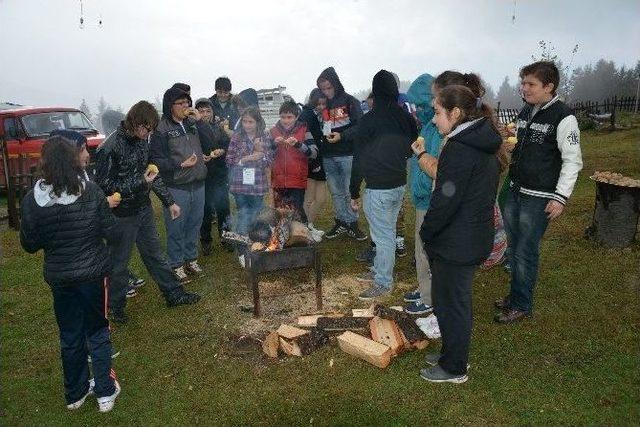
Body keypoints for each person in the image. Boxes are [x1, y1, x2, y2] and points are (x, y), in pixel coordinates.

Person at [20, 136, 121, 412]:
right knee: (98, 329)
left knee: (70, 334)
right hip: (91, 276)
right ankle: (104, 391)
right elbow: (110, 231)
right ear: (73, 160)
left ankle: (75, 393)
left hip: (61, 277)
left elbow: (29, 243)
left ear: (45, 164)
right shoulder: (91, 191)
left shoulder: (33, 199)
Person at [419, 84, 502, 383]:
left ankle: (454, 367)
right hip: (467, 236)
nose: (433, 120)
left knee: (453, 303)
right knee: (447, 299)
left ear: (455, 113)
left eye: (438, 113)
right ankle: (450, 352)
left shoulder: (460, 147)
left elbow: (445, 200)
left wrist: (426, 232)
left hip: (458, 242)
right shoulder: (476, 140)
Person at [96, 101, 201, 324]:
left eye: (152, 129)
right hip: (121, 215)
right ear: (135, 122)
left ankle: (173, 293)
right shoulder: (109, 148)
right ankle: (114, 307)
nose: (149, 134)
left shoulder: (144, 142)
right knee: (119, 263)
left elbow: (153, 174)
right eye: (147, 129)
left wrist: (169, 201)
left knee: (155, 255)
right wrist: (138, 182)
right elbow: (104, 186)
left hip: (143, 209)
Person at [495, 61, 583, 323]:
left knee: (525, 250)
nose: (524, 88)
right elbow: (520, 142)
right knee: (513, 247)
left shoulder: (564, 117)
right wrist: (510, 144)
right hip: (515, 189)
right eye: (523, 83)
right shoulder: (527, 110)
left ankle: (521, 304)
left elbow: (572, 160)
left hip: (539, 196)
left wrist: (560, 197)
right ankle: (515, 295)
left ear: (549, 86)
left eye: (530, 84)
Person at [348, 70, 417, 300]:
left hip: (378, 187)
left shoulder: (368, 120)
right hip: (398, 184)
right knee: (384, 233)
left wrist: (353, 190)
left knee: (383, 235)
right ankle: (380, 270)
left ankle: (383, 281)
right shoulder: (405, 117)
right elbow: (411, 148)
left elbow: (358, 158)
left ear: (375, 92)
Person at [150, 86, 208, 282]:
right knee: (176, 227)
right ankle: (176, 264)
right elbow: (155, 161)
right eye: (181, 103)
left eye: (187, 103)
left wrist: (200, 121)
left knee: (194, 223)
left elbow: (210, 140)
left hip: (198, 183)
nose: (186, 106)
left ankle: (191, 259)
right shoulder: (161, 129)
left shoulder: (193, 123)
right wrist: (179, 163)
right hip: (177, 186)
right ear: (170, 105)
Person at [402, 73, 443, 315]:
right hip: (421, 197)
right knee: (420, 248)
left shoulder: (437, 129)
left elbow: (435, 166)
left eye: (421, 105)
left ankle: (429, 298)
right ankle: (424, 287)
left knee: (424, 249)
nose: (417, 110)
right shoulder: (428, 125)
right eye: (414, 105)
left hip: (429, 199)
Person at [317, 67, 367, 240]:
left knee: (348, 191)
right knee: (336, 192)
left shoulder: (350, 101)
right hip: (328, 156)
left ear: (336, 84)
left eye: (329, 87)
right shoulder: (322, 104)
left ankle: (353, 223)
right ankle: (341, 221)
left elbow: (361, 125)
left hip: (347, 154)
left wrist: (342, 135)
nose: (326, 91)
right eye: (323, 88)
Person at [226, 106, 274, 240]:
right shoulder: (236, 137)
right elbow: (229, 160)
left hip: (257, 184)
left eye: (250, 122)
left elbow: (270, 160)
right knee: (242, 213)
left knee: (256, 213)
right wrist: (245, 159)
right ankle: (242, 240)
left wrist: (261, 155)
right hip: (239, 184)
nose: (247, 125)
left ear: (258, 122)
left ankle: (255, 239)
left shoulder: (264, 136)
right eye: (244, 121)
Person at [194, 97, 233, 255]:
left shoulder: (218, 127)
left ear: (212, 112)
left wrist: (221, 151)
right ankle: (206, 241)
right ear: (196, 112)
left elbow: (227, 145)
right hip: (201, 176)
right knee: (205, 210)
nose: (205, 114)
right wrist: (198, 155)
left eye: (208, 110)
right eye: (201, 111)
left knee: (223, 208)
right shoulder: (192, 129)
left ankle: (226, 237)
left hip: (220, 173)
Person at [270, 101, 318, 223]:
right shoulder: (273, 132)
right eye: (283, 117)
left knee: (296, 211)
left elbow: (314, 153)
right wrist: (274, 145)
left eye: (289, 117)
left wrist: (298, 145)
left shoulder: (304, 130)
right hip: (278, 181)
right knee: (280, 212)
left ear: (296, 117)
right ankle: (282, 238)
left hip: (297, 180)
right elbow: (267, 156)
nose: (286, 120)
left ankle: (303, 236)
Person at [299, 88, 328, 241]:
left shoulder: (319, 115)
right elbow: (305, 140)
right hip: (311, 160)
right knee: (309, 198)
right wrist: (313, 161)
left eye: (324, 104)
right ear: (312, 101)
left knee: (321, 198)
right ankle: (305, 228)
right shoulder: (306, 115)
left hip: (321, 159)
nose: (321, 106)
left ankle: (309, 225)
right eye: (319, 103)